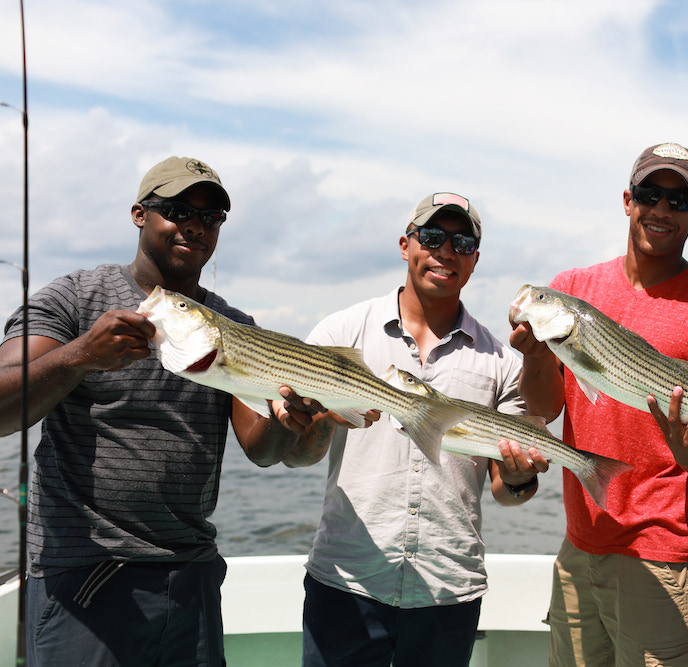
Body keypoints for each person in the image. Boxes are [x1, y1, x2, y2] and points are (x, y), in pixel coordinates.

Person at [0, 156, 304, 666]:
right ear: (140, 214)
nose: (196, 225)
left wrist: (287, 422)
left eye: (211, 217)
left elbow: (261, 449)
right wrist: (81, 356)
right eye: (178, 209)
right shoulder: (75, 298)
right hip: (86, 573)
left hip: (192, 573)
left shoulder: (233, 324)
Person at [275, 192, 550, 667]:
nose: (446, 251)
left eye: (462, 242)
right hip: (346, 581)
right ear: (406, 245)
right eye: (432, 236)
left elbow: (505, 491)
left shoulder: (504, 362)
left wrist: (523, 475)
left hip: (449, 591)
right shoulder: (341, 334)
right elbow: (296, 455)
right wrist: (320, 420)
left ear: (475, 260)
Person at [511, 143, 688, 666]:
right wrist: (535, 356)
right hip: (582, 541)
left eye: (678, 199)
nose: (661, 209)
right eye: (649, 194)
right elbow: (547, 407)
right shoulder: (574, 287)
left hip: (669, 553)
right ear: (627, 200)